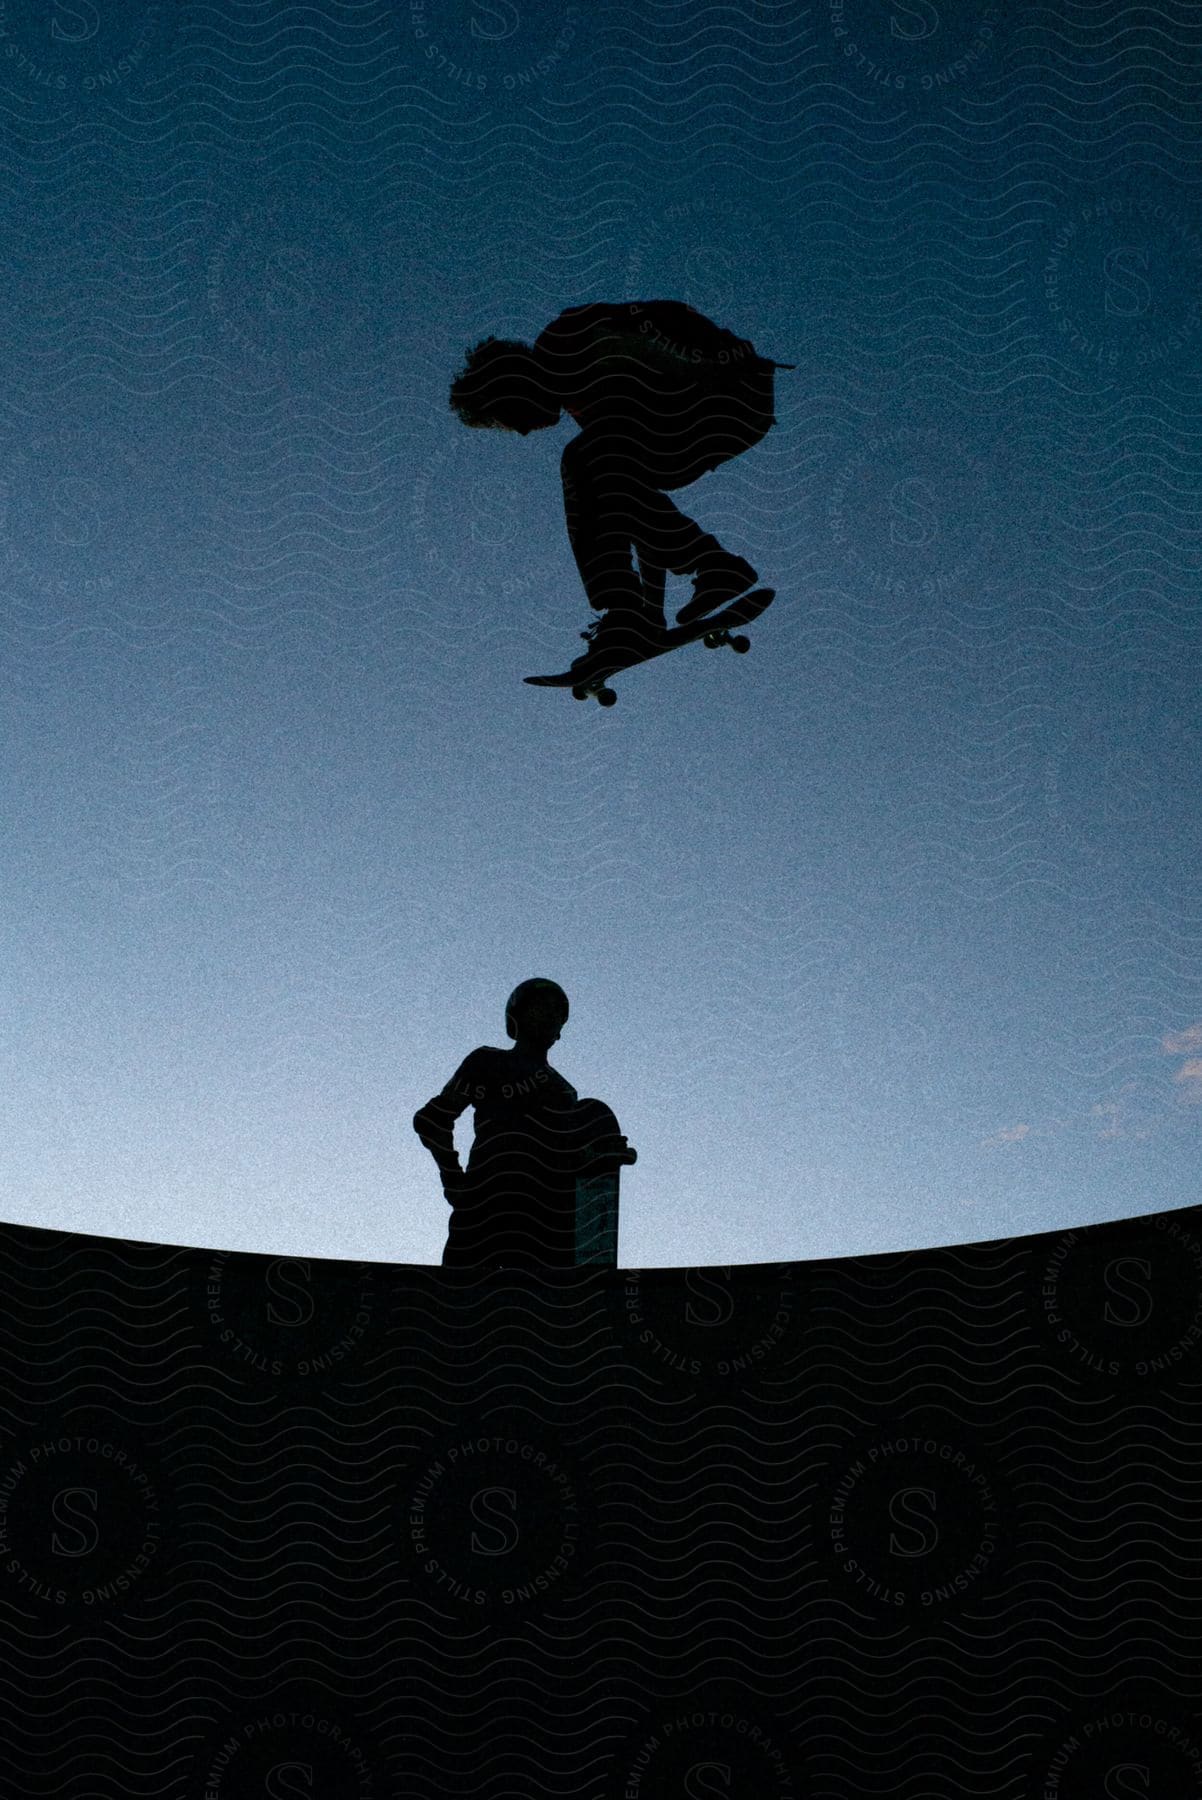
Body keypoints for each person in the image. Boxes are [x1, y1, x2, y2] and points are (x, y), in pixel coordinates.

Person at [448, 299, 793, 665]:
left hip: (722, 391)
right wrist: (651, 614)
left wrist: (714, 371)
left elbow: (636, 347)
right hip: (723, 408)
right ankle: (690, 580)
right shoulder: (590, 400)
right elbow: (632, 504)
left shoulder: (564, 344)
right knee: (606, 472)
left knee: (583, 460)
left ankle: (662, 590)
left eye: (507, 417)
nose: (521, 431)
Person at [413, 978, 632, 1269]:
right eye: (541, 1008)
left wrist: (597, 1157)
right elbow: (432, 1120)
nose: (550, 1017)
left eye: (556, 1013)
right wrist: (455, 1181)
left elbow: (561, 1156)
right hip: (486, 1208)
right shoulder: (487, 1062)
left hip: (545, 1222)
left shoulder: (564, 1091)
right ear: (517, 1016)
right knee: (464, 1299)